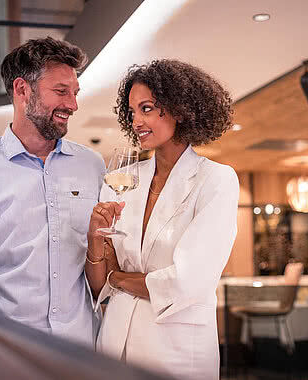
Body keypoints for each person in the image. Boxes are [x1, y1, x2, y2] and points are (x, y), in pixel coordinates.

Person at [86, 59, 239, 379]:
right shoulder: (120, 179)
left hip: (177, 351)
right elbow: (98, 283)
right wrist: (94, 242)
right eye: (132, 112)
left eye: (147, 108)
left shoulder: (215, 180)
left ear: (180, 109)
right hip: (114, 343)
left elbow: (188, 282)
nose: (136, 120)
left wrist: (119, 279)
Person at [0, 37, 105, 346]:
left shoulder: (92, 166)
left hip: (80, 351)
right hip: (3, 353)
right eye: (61, 91)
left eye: (75, 93)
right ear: (23, 90)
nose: (73, 105)